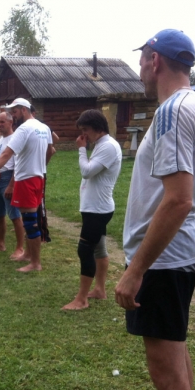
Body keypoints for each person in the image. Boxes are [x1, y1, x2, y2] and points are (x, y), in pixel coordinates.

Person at [115, 30, 195, 390]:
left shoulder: (172, 112)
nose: (140, 70)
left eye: (141, 61)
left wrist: (137, 269)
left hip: (162, 262)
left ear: (155, 60)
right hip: (178, 255)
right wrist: (185, 237)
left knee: (167, 375)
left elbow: (179, 200)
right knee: (176, 356)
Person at [62, 109, 122, 310]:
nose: (83, 134)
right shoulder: (102, 145)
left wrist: (81, 149)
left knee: (85, 249)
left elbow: (87, 172)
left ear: (98, 128)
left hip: (98, 209)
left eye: (86, 129)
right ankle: (99, 290)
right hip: (94, 207)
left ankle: (81, 299)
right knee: (99, 249)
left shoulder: (108, 146)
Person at [0, 98, 54, 272]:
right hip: (38, 178)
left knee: (30, 222)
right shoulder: (44, 127)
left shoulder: (24, 129)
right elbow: (51, 151)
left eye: (15, 112)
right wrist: (40, 167)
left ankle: (35, 263)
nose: (13, 116)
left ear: (24, 110)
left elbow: (6, 154)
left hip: (25, 179)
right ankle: (27, 254)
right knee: (31, 220)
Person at [0, 112, 25, 259]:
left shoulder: (16, 139)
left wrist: (11, 185)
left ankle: (20, 248)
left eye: (2, 122)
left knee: (14, 215)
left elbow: (18, 165)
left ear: (11, 122)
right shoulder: (0, 140)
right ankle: (1, 244)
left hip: (8, 178)